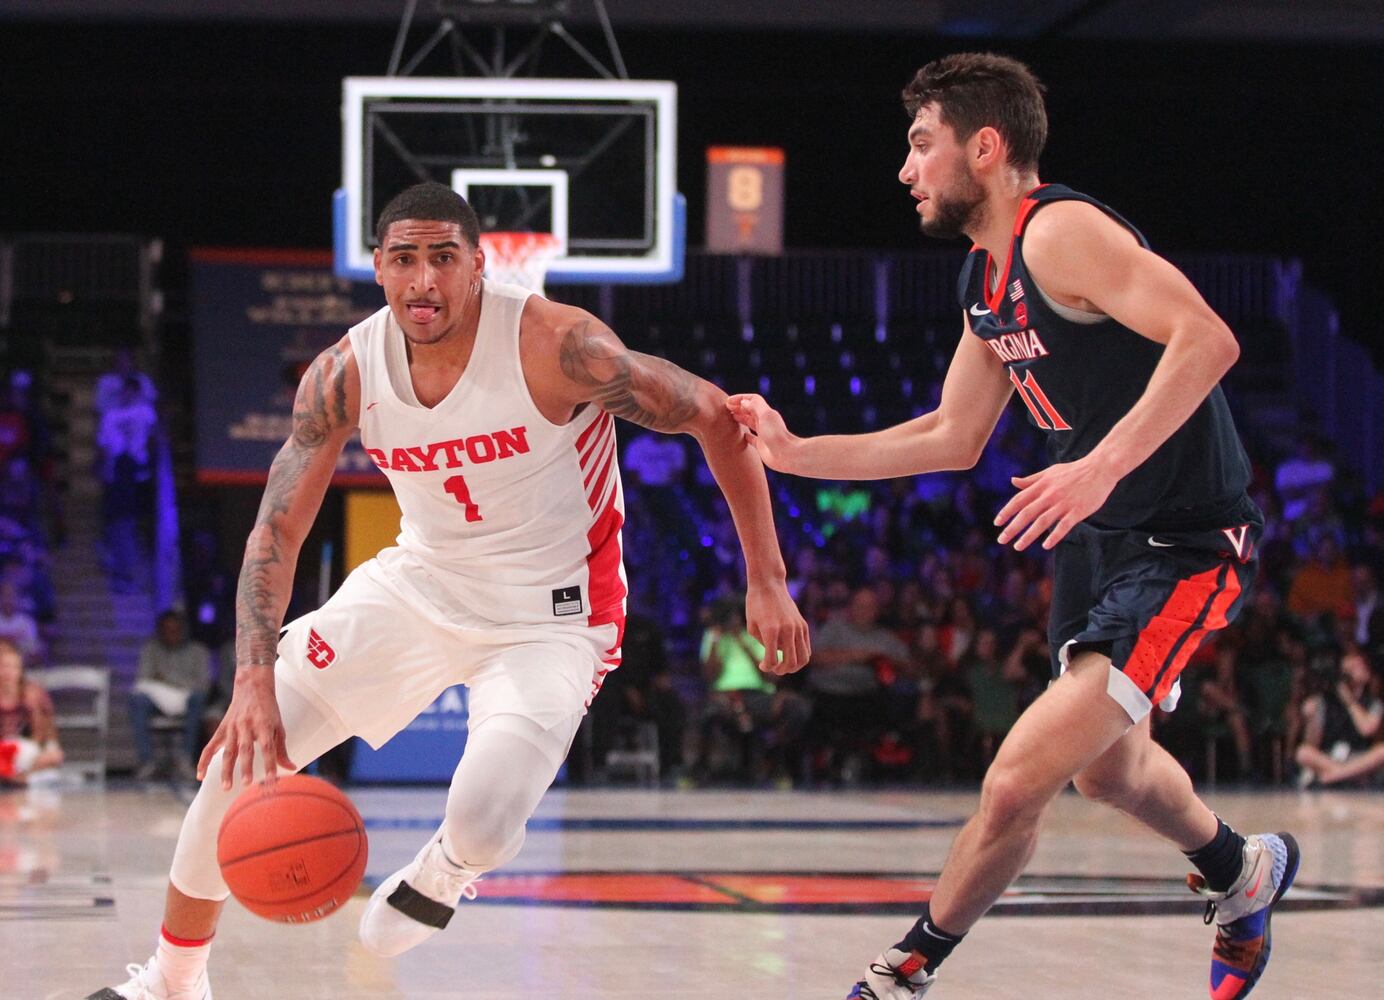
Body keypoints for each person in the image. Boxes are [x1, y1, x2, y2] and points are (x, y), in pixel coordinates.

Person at [87, 182, 808, 1000]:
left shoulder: (560, 345)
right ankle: (174, 983)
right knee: (236, 763)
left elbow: (716, 418)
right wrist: (251, 679)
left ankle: (449, 865)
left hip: (554, 615)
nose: (422, 281)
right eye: (403, 260)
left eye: (441, 259)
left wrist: (767, 579)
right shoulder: (345, 372)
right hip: (420, 584)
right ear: (379, 269)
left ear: (478, 266)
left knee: (486, 818)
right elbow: (275, 532)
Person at [729, 52, 1296, 1000]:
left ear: (984, 147)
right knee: (1108, 776)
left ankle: (902, 973)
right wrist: (794, 452)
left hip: (1182, 544)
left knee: (1014, 782)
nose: (906, 170)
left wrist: (1098, 463)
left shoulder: (1058, 233)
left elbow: (1210, 339)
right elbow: (951, 437)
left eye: (921, 144)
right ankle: (1245, 871)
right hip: (1099, 542)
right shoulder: (982, 280)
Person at [128, 610, 213, 782]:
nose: (171, 634)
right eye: (166, 630)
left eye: (175, 630)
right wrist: (177, 682)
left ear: (183, 630)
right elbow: (144, 678)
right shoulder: (151, 649)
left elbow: (203, 684)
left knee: (198, 699)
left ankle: (186, 759)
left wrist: (166, 678)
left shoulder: (198, 651)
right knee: (137, 699)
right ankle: (147, 761)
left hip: (188, 699)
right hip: (158, 701)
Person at [1293, 645, 1382, 787]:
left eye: (1358, 666)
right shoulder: (1326, 700)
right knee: (1303, 753)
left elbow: (1367, 729)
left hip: (1358, 757)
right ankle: (1345, 776)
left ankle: (1335, 776)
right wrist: (1311, 719)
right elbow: (1312, 743)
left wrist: (1350, 702)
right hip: (1331, 756)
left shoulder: (1373, 703)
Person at [0, 638, 63, 785]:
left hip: (26, 754)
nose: (8, 672)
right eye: (3, 666)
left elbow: (46, 736)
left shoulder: (34, 694)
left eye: (13, 667)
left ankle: (18, 778)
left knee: (54, 756)